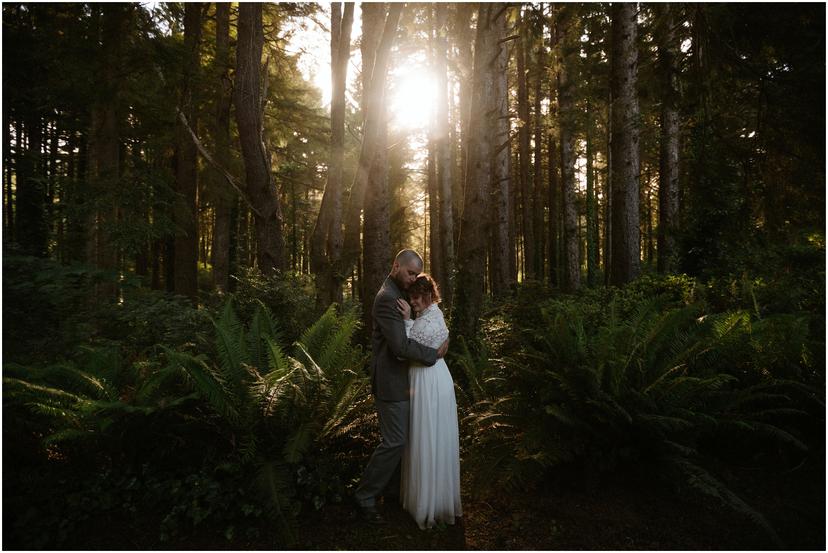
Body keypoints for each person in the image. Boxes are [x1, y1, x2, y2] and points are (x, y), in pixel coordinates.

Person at [354, 250, 449, 525]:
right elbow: (400, 346)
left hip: (409, 382)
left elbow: (423, 325)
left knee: (406, 441)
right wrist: (434, 354)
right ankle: (365, 496)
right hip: (392, 382)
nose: (413, 279)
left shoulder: (401, 294)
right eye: (409, 273)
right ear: (396, 266)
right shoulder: (386, 299)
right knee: (395, 441)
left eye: (416, 274)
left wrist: (442, 338)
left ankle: (393, 493)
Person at [396, 274, 462, 530]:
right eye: (411, 298)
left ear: (428, 295)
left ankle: (430, 504)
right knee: (426, 435)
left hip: (429, 380)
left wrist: (405, 322)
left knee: (429, 435)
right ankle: (428, 498)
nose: (412, 302)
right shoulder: (431, 315)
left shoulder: (430, 318)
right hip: (431, 378)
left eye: (416, 298)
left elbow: (408, 348)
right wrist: (411, 320)